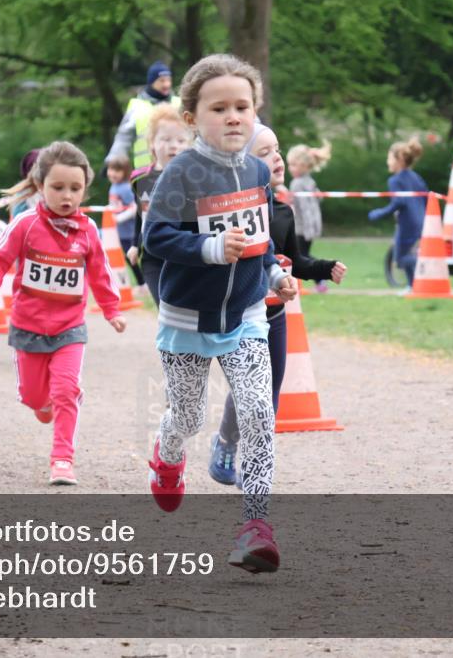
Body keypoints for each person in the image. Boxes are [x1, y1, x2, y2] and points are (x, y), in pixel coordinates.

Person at [143, 54, 297, 574]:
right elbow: (156, 237)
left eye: (242, 107)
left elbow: (261, 239)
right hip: (187, 318)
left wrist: (274, 276)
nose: (233, 117)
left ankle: (256, 525)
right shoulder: (182, 171)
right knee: (188, 416)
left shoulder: (256, 170)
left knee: (258, 412)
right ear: (192, 118)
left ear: (255, 112)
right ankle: (167, 455)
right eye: (219, 108)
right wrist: (209, 248)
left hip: (246, 316)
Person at [0, 141, 126, 486]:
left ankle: (62, 459)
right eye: (58, 188)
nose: (67, 196)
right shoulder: (25, 225)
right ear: (40, 186)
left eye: (75, 188)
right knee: (33, 397)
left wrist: (112, 309)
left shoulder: (88, 230)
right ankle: (45, 402)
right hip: (28, 326)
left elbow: (101, 273)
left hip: (70, 328)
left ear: (85, 189)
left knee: (66, 391)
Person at [208, 123, 347, 487]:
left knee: (268, 396)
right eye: (265, 152)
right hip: (240, 316)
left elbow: (293, 261)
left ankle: (253, 467)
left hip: (275, 316)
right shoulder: (228, 210)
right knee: (248, 392)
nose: (277, 158)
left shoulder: (283, 211)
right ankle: (226, 443)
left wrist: (324, 268)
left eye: (278, 150)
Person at [127, 103, 193, 306]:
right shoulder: (139, 179)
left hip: (184, 253)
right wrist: (134, 244)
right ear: (152, 144)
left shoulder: (193, 179)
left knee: (185, 309)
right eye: (165, 139)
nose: (174, 145)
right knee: (165, 307)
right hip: (153, 256)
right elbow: (141, 214)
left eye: (181, 140)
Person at [367, 137, 428, 293]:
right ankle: (412, 286)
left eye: (389, 158)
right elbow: (426, 198)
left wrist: (379, 214)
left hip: (407, 224)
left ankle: (426, 265)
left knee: (401, 258)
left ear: (399, 160)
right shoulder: (416, 177)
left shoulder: (394, 180)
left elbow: (399, 202)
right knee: (406, 254)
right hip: (421, 222)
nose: (387, 161)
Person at [104, 61, 180, 170]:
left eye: (169, 80)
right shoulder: (137, 106)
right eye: (162, 80)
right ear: (151, 82)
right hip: (146, 172)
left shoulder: (179, 104)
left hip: (178, 169)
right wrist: (113, 160)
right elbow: (124, 137)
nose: (167, 84)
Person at [286, 140, 332, 292]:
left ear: (304, 166)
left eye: (293, 164)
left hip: (302, 228)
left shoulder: (297, 183)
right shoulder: (310, 181)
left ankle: (323, 273)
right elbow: (317, 200)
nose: (290, 168)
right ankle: (320, 278)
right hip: (310, 226)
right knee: (301, 255)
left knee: (300, 257)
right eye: (290, 164)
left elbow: (306, 208)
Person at [106, 155, 142, 292]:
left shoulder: (126, 188)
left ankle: (143, 283)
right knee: (128, 259)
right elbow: (115, 206)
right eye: (111, 169)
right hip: (120, 232)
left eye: (117, 170)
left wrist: (119, 218)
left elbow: (134, 207)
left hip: (130, 232)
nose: (112, 173)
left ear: (125, 172)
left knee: (132, 258)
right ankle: (141, 283)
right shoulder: (113, 187)